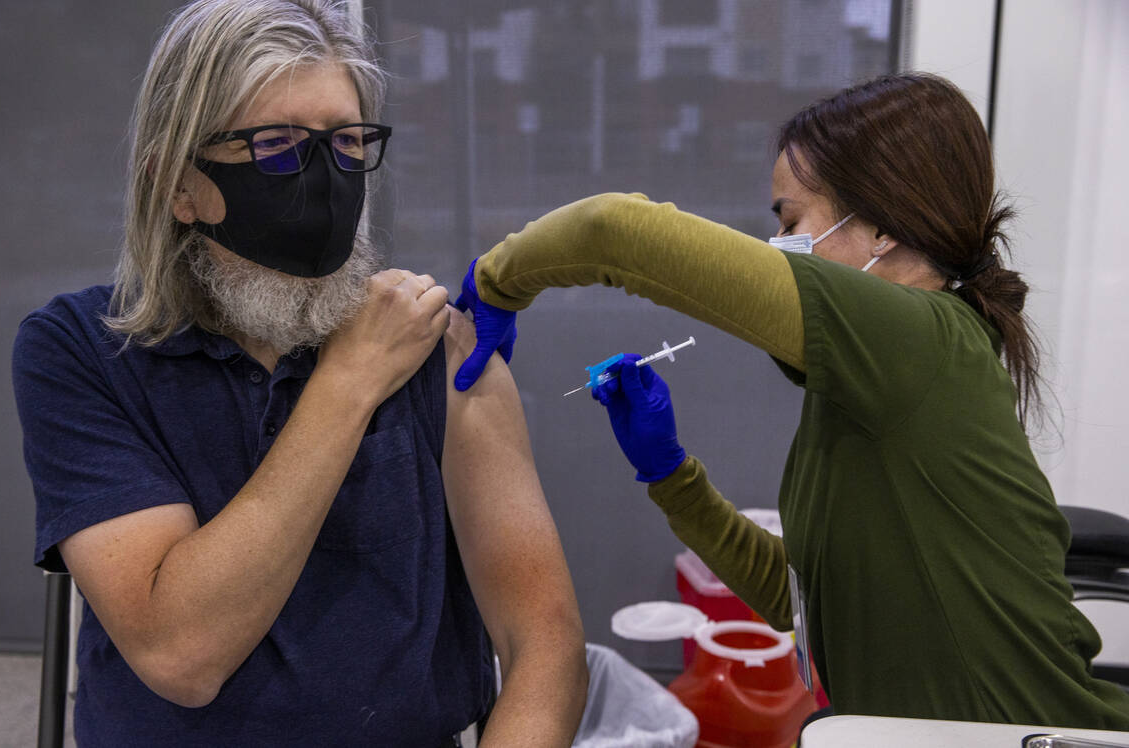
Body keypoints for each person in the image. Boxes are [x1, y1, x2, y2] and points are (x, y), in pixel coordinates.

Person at [453, 73, 1129, 729]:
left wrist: (496, 282)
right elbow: (799, 604)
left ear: (883, 228)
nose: (779, 247)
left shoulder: (918, 340)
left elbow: (613, 232)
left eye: (792, 220)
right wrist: (671, 476)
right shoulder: (866, 392)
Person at [11, 1, 587, 745]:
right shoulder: (81, 352)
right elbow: (181, 653)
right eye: (275, 146)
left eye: (347, 142)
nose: (323, 179)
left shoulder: (433, 347)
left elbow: (546, 648)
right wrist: (349, 381)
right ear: (178, 187)